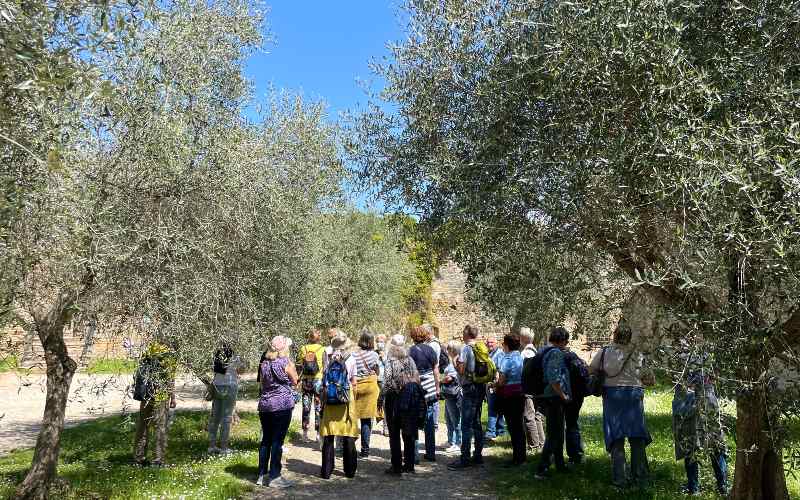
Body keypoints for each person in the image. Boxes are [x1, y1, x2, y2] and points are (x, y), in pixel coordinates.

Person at [589, 321, 653, 488]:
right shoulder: (638, 354)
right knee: (637, 437)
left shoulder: (604, 352)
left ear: (615, 335)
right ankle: (640, 478)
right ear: (629, 337)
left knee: (616, 437)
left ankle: (620, 479)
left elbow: (591, 369)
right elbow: (649, 378)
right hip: (633, 396)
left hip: (612, 397)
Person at [672, 355, 729, 496]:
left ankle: (694, 488)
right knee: (715, 443)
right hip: (706, 399)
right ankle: (722, 486)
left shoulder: (679, 355)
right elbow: (716, 375)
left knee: (690, 443)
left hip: (688, 400)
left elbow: (674, 379)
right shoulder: (708, 354)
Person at [256, 335, 298, 488]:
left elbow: (262, 383)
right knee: (277, 441)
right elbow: (295, 381)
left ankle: (261, 474)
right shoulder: (286, 363)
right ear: (284, 348)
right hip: (282, 405)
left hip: (265, 405)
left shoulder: (264, 364)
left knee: (265, 440)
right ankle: (274, 476)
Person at [319, 332, 360, 479]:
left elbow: (323, 377)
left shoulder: (327, 356)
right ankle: (349, 471)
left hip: (330, 399)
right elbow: (353, 381)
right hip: (345, 400)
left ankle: (326, 471)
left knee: (329, 435)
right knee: (347, 434)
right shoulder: (351, 358)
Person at [381, 334, 422, 474]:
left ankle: (396, 465)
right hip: (409, 400)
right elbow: (417, 378)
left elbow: (386, 383)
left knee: (394, 434)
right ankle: (409, 465)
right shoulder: (410, 360)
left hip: (394, 400)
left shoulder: (390, 362)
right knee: (408, 432)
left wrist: (380, 399)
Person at [534, 327, 572, 480]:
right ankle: (542, 468)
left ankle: (560, 464)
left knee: (557, 432)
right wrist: (563, 395)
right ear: (562, 340)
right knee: (554, 434)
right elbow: (553, 377)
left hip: (549, 396)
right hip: (554, 397)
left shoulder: (545, 350)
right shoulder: (556, 353)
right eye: (566, 341)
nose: (567, 344)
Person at [447, 324, 486, 470]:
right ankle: (478, 456)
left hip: (469, 388)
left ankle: (465, 458)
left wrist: (453, 360)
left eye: (463, 333)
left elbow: (461, 370)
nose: (462, 335)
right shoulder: (481, 348)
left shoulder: (466, 348)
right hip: (480, 387)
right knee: (476, 421)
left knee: (466, 425)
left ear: (467, 334)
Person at [133, 340, 177, 467]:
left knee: (143, 425)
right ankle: (158, 460)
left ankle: (138, 457)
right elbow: (170, 378)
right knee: (160, 426)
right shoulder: (169, 354)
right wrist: (172, 397)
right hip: (160, 395)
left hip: (146, 394)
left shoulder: (149, 350)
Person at [409, 325, 440, 462]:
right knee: (429, 422)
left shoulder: (410, 351)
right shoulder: (430, 349)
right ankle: (431, 453)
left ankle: (414, 456)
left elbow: (408, 372)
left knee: (414, 421)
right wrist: (437, 387)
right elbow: (435, 370)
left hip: (416, 387)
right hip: (430, 388)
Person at [495, 334, 526, 466]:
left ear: (506, 345)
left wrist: (493, 384)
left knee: (513, 427)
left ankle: (516, 459)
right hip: (520, 394)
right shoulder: (520, 357)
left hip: (509, 395)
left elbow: (501, 381)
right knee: (519, 426)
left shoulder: (506, 359)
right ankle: (521, 457)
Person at [208, 343, 242, 454]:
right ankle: (224, 447)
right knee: (226, 418)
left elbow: (215, 372)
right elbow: (241, 369)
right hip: (230, 385)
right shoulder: (234, 356)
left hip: (217, 385)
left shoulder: (216, 355)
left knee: (215, 417)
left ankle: (211, 446)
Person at [353, 329, 381, 457]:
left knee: (352, 417)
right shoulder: (374, 355)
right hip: (370, 387)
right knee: (366, 420)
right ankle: (365, 450)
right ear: (371, 342)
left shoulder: (354, 355)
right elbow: (377, 371)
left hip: (357, 387)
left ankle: (349, 445)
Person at [518, 327, 545, 451]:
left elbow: (523, 373)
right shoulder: (535, 350)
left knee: (529, 416)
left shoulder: (525, 353)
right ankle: (541, 442)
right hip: (537, 389)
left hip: (529, 389)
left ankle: (534, 445)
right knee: (537, 416)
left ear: (522, 338)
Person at [296, 329, 325, 442]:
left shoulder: (303, 348)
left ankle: (305, 433)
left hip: (306, 381)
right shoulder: (322, 349)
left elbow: (299, 365)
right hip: (318, 380)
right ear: (319, 338)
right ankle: (318, 434)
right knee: (318, 407)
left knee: (306, 407)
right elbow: (325, 366)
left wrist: (298, 379)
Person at [563, 347, 589, 464]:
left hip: (564, 395)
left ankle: (560, 455)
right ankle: (576, 454)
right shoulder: (574, 356)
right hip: (578, 395)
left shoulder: (557, 357)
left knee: (562, 426)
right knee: (572, 424)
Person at [442, 340, 463, 454]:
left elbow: (451, 377)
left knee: (455, 418)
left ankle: (458, 442)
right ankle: (451, 440)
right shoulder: (452, 360)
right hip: (448, 393)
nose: (447, 351)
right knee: (448, 417)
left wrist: (441, 380)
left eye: (448, 349)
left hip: (453, 393)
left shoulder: (457, 360)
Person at [485, 335, 506, 441]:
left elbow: (499, 371)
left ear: (496, 343)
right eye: (488, 342)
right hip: (491, 384)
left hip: (494, 385)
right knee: (498, 408)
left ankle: (490, 432)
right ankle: (501, 431)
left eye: (491, 342)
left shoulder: (499, 354)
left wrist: (496, 385)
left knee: (492, 408)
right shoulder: (489, 354)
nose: (489, 344)